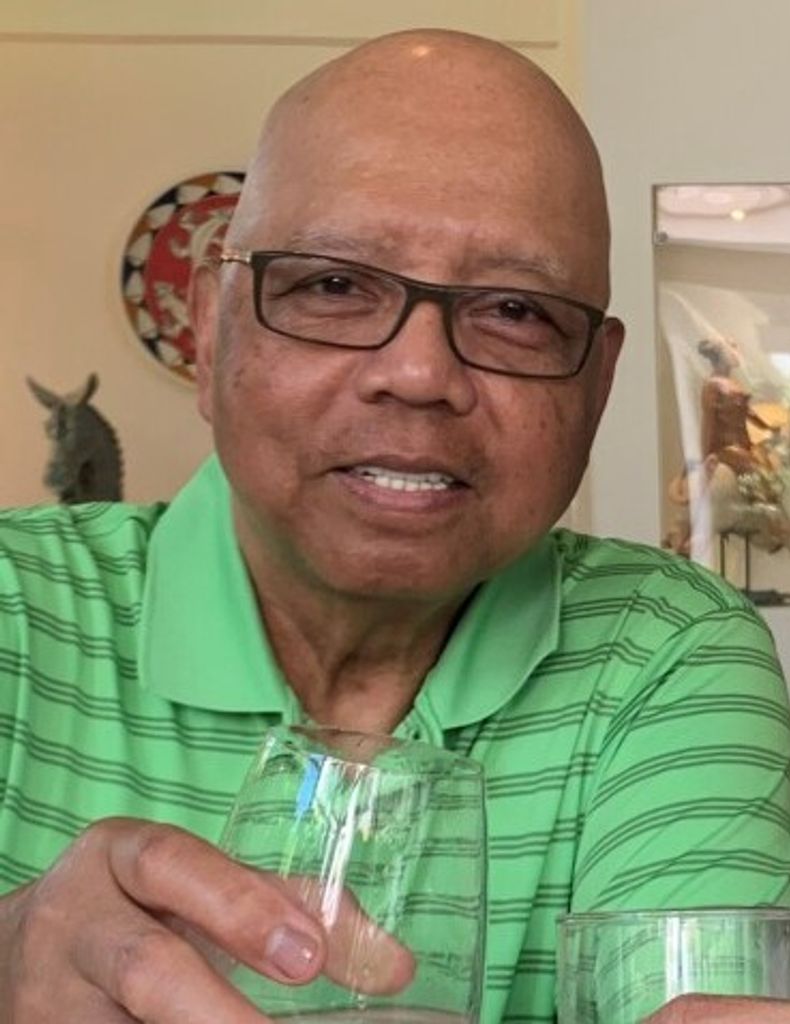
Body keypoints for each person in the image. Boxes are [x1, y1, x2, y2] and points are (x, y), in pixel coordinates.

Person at [1, 28, 789, 1024]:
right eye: (333, 285)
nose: (418, 374)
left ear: (595, 389)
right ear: (210, 331)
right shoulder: (15, 611)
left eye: (516, 309)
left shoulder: (666, 647)